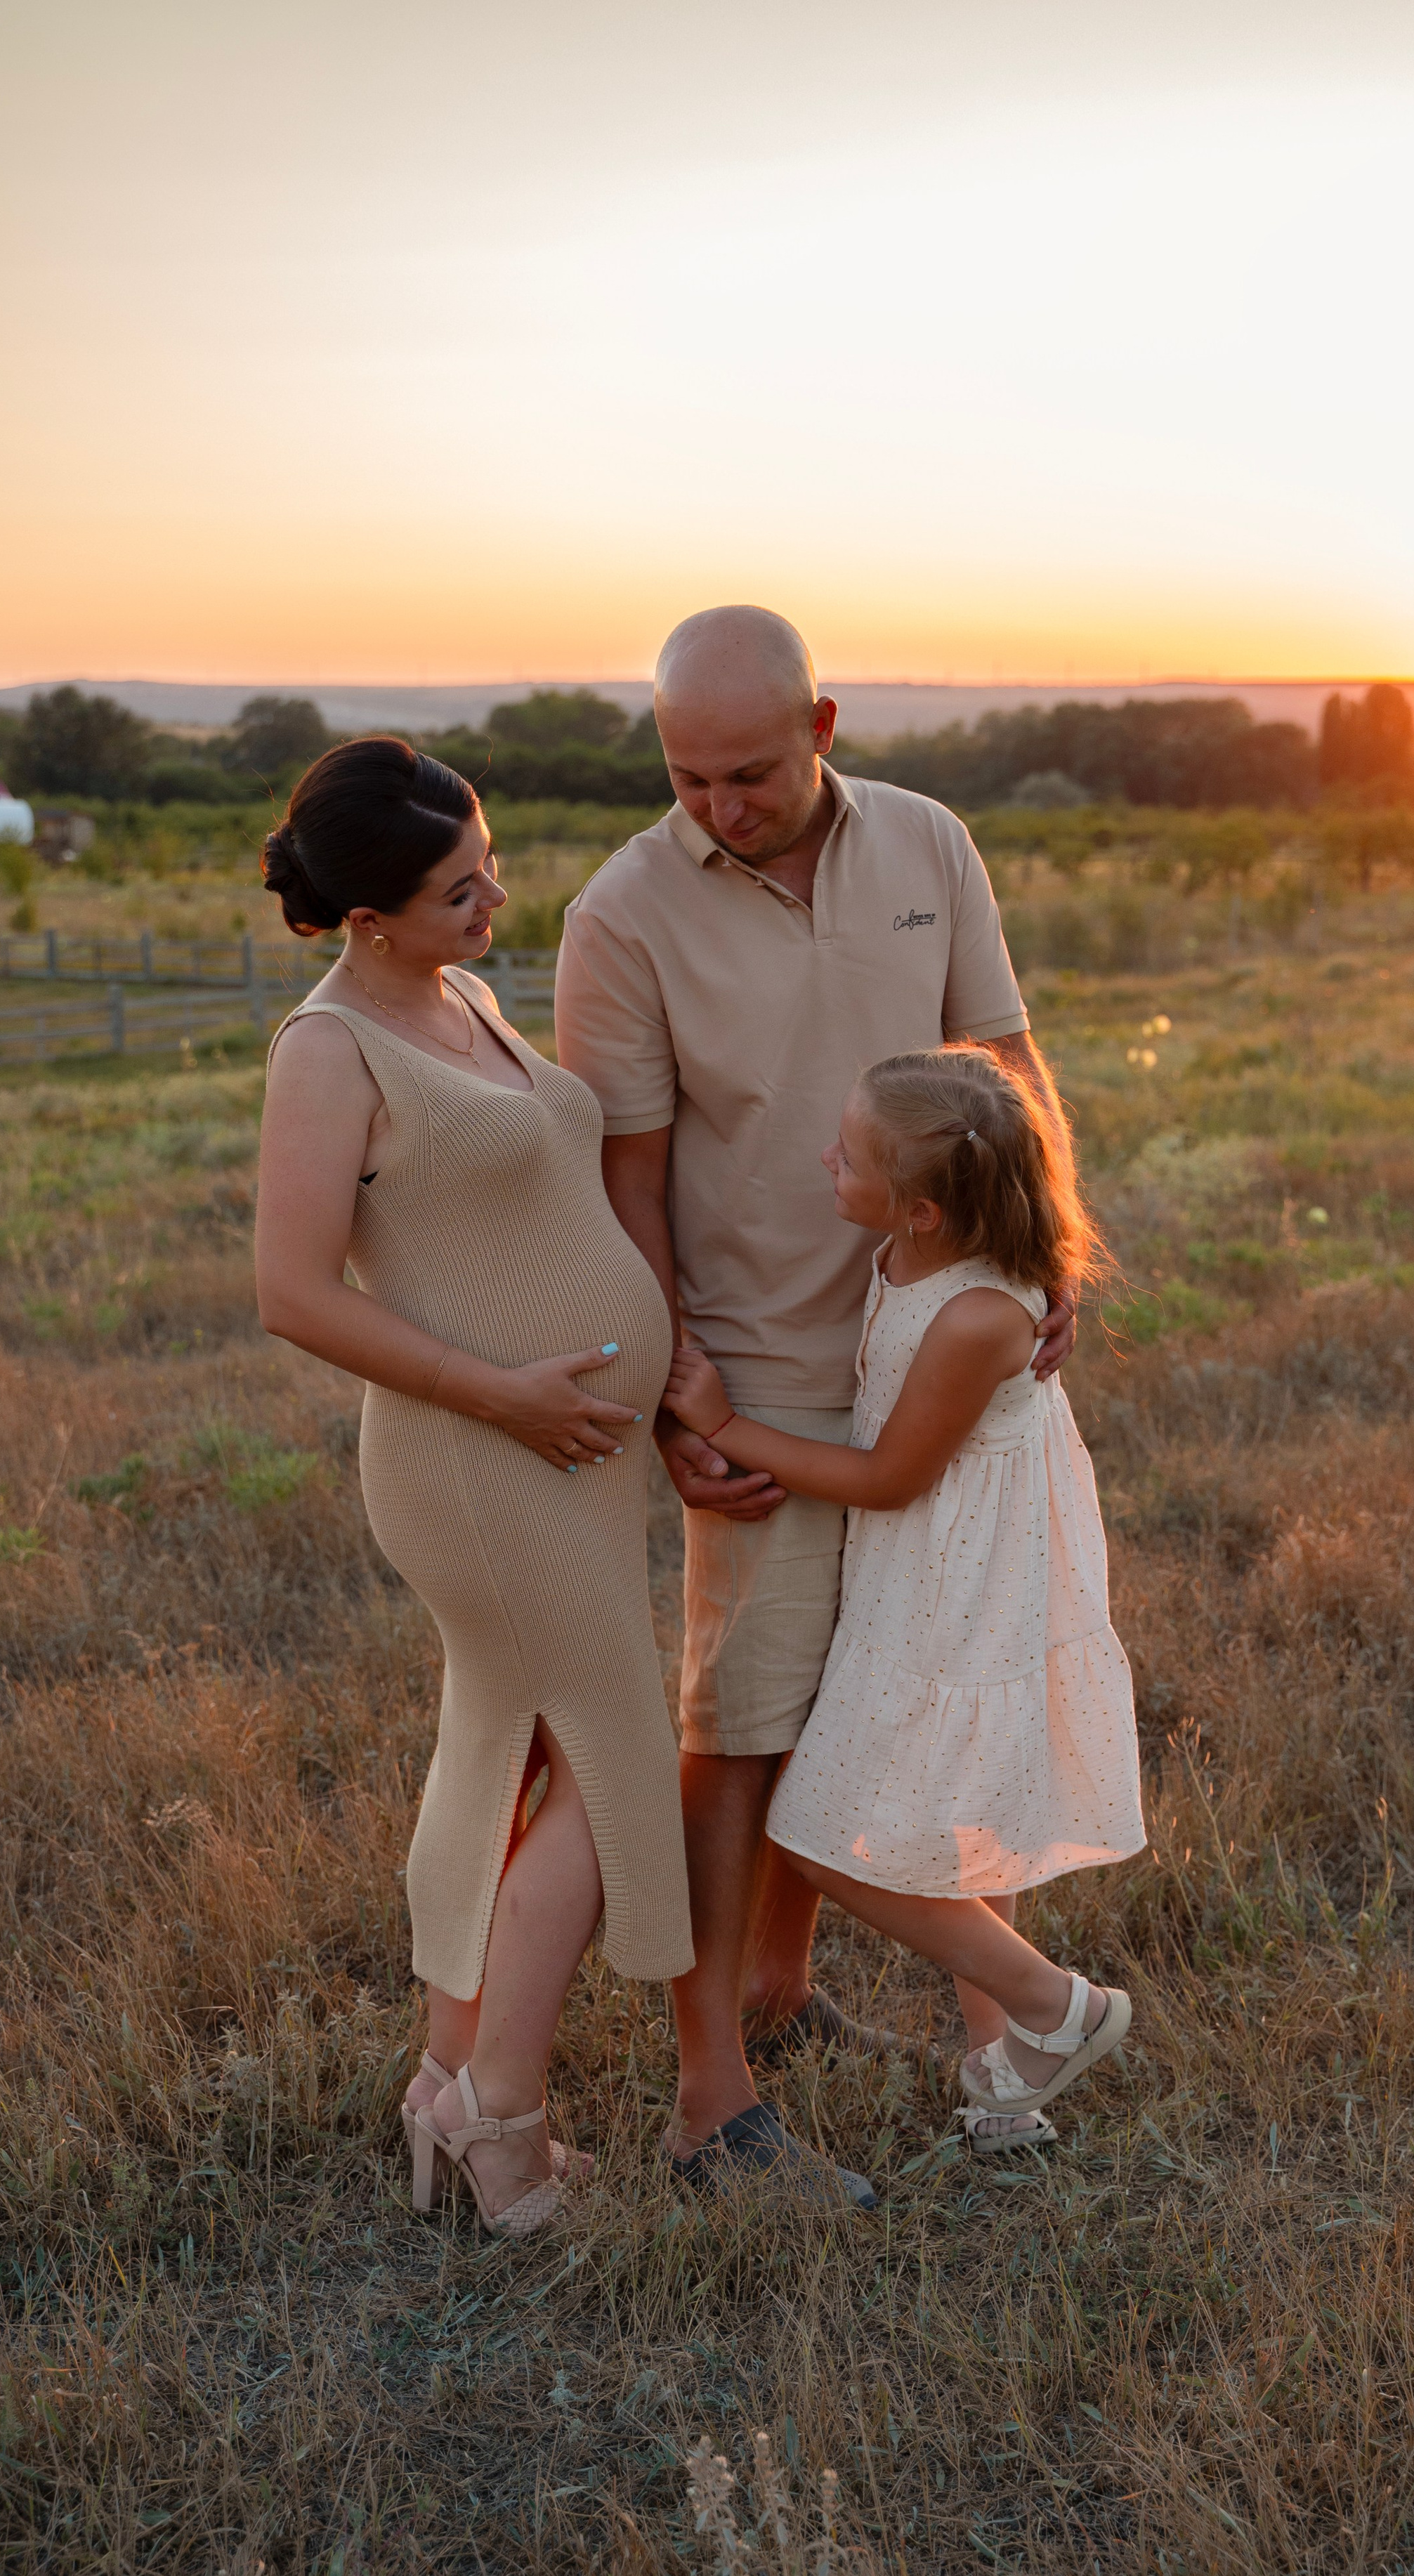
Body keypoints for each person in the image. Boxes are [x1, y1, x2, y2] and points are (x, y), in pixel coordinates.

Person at [555, 605, 1075, 2197]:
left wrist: (1048, 1251)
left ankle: (794, 1992)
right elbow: (621, 1181)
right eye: (688, 777)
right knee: (745, 1722)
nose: (720, 806)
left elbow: (999, 1054)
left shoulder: (928, 840)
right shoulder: (618, 914)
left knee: (922, 1686)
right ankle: (710, 2097)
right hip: (760, 1364)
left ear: (824, 723)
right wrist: (666, 1404)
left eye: (750, 773)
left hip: (940, 1342)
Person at [255, 736, 692, 2240]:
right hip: (476, 1454)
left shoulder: (464, 998)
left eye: (489, 859)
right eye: (459, 887)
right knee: (609, 1753)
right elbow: (294, 1293)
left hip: (564, 1453)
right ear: (366, 918)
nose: (495, 895)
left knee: (503, 1756)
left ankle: (447, 2090)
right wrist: (502, 1391)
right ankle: (504, 2122)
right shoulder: (329, 1053)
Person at [663, 1043, 1144, 2152]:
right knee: (963, 1814)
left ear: (923, 1208)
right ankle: (1003, 2085)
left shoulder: (983, 1313)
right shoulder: (909, 1252)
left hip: (966, 1576)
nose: (827, 1156)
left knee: (825, 1840)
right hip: (920, 1564)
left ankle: (1056, 2007)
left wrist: (727, 1428)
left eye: (851, 1156)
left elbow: (892, 1477)